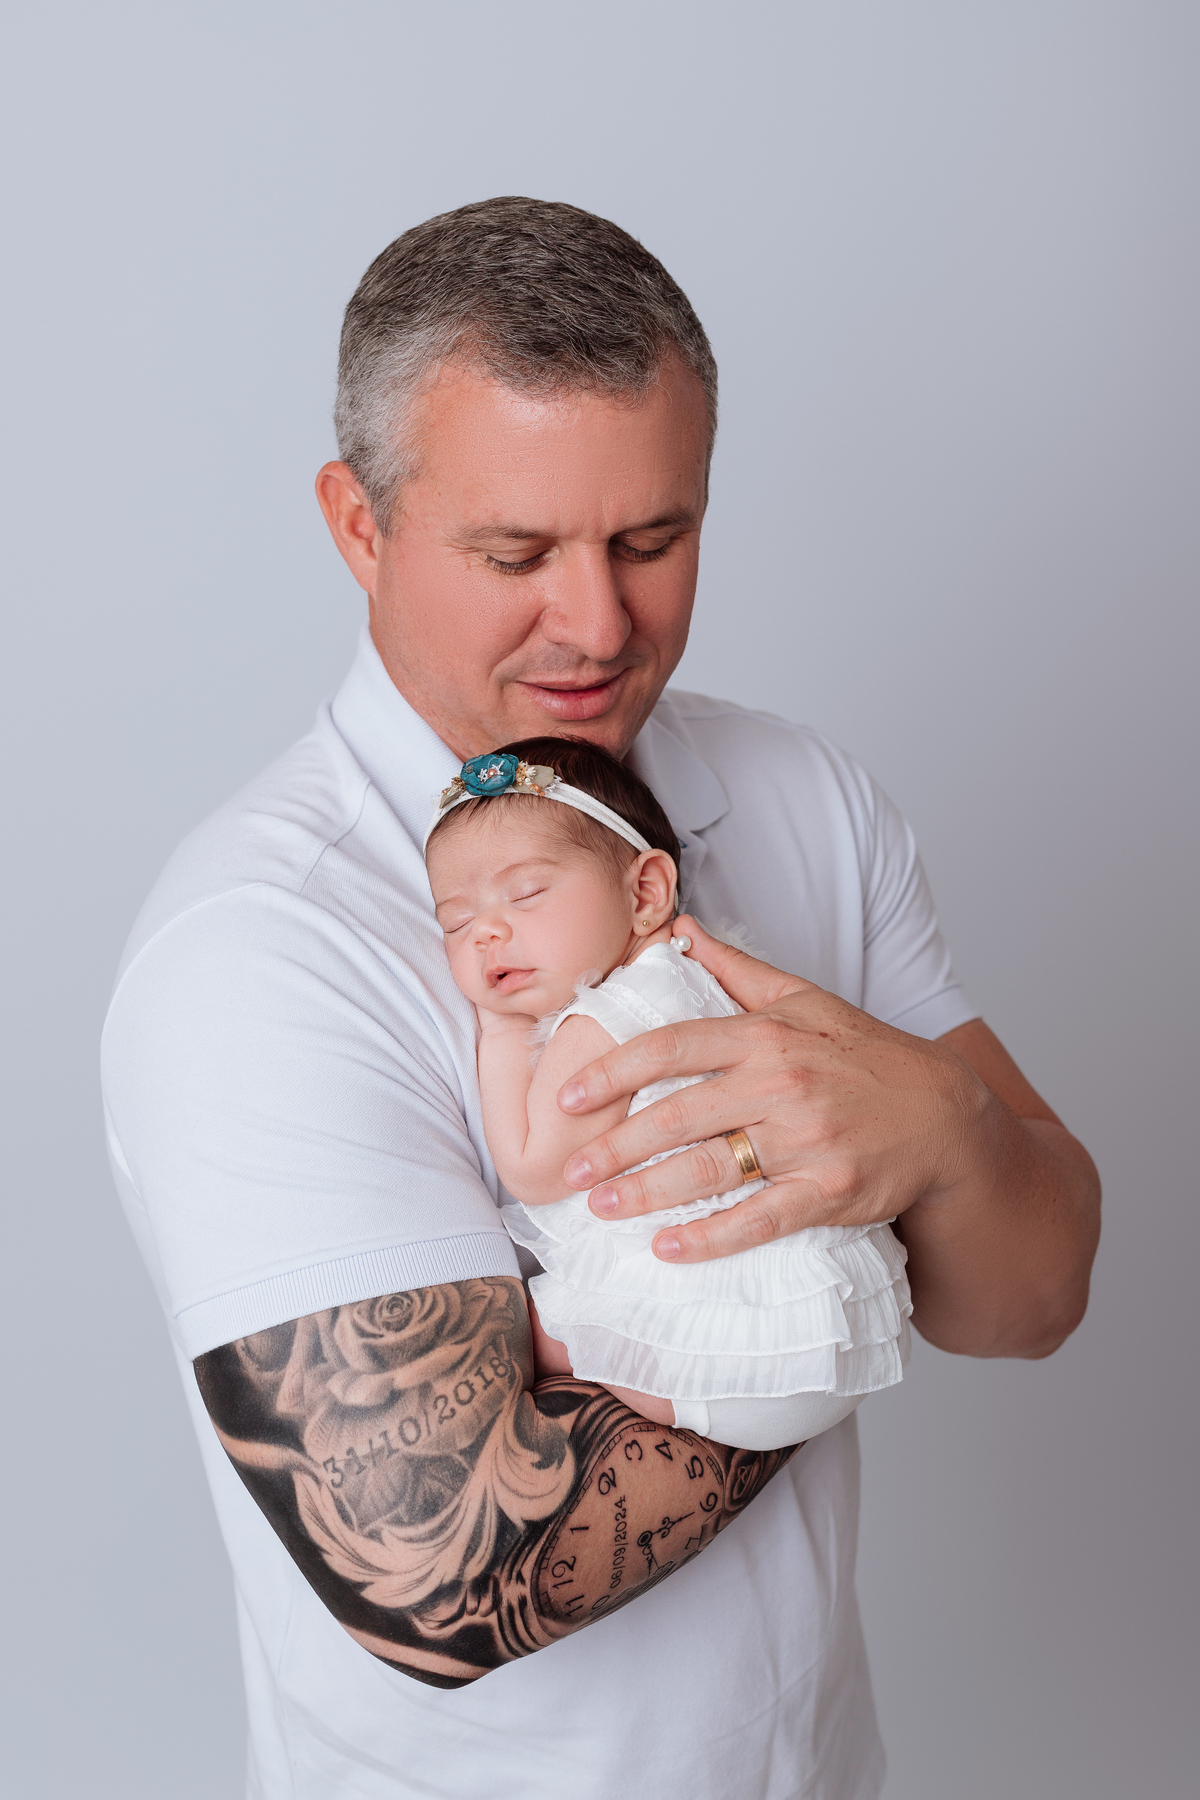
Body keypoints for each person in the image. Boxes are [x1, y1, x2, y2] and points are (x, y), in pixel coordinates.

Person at [101, 197, 1100, 1800]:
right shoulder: (255, 949)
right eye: (515, 555)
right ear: (359, 526)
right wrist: (851, 1264)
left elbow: (1035, 1296)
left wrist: (947, 1135)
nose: (599, 623)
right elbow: (443, 1573)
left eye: (653, 540)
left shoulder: (805, 794)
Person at [425, 735, 913, 1450]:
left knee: (515, 1334)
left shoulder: (602, 1021)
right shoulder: (697, 977)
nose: (486, 934)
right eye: (456, 922)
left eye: (525, 894)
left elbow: (533, 1169)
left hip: (720, 1363)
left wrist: (499, 1029)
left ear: (645, 892)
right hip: (828, 1328)